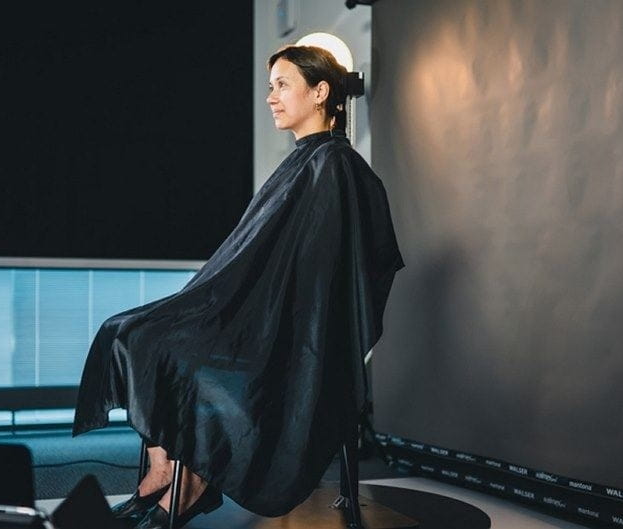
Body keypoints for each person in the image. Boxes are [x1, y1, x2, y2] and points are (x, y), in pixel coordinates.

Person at [73, 45, 404, 529]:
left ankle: (191, 485)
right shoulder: (304, 162)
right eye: (270, 86)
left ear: (320, 92)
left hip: (285, 335)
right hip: (254, 318)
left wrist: (242, 313)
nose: (271, 97)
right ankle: (163, 471)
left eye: (283, 85)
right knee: (127, 333)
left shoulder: (334, 166)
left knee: (160, 346)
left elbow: (315, 281)